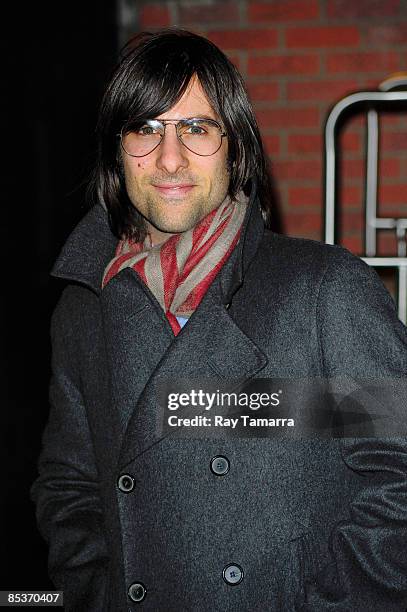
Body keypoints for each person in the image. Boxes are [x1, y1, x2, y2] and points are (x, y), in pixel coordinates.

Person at [31, 29, 407, 612]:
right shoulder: (83, 309)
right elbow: (69, 486)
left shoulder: (322, 291)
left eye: (197, 129)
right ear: (117, 151)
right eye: (146, 129)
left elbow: (397, 483)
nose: (170, 158)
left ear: (237, 150)